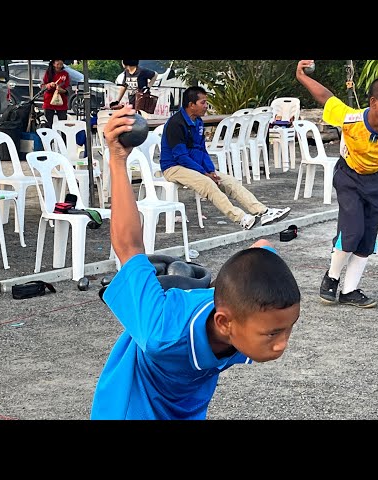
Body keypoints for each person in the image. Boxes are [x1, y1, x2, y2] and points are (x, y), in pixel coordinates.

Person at [90, 104, 301, 420]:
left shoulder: (244, 313)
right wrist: (118, 159)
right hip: (131, 410)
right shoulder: (162, 332)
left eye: (286, 330)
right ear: (224, 324)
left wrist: (264, 249)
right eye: (272, 334)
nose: (281, 345)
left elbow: (263, 247)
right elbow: (129, 247)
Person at [295, 59, 378, 308]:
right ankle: (331, 278)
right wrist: (302, 76)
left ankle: (350, 290)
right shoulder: (350, 118)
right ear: (374, 103)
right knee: (352, 231)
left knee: (368, 237)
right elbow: (326, 97)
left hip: (377, 180)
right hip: (349, 177)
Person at [159, 85, 291, 230]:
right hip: (173, 167)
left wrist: (210, 170)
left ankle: (264, 212)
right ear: (191, 105)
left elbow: (202, 150)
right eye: (202, 103)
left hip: (194, 166)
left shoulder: (198, 122)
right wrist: (203, 173)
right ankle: (241, 218)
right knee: (207, 184)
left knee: (230, 181)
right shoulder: (175, 124)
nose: (206, 106)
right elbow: (180, 156)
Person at [40, 59, 70, 128]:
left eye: (61, 64)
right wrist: (49, 85)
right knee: (48, 124)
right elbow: (42, 86)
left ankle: (63, 138)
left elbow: (68, 87)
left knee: (63, 124)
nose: (59, 66)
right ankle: (49, 138)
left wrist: (63, 90)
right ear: (53, 64)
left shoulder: (65, 74)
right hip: (49, 101)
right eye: (57, 63)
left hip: (61, 102)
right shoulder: (48, 73)